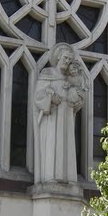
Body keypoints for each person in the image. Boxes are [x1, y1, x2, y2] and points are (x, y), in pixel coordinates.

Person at [33, 43, 86, 186]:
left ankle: (69, 178)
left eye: (69, 59)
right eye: (65, 58)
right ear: (58, 57)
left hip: (67, 115)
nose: (67, 61)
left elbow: (78, 101)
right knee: (52, 144)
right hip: (52, 117)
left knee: (67, 145)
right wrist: (50, 98)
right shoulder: (47, 74)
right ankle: (50, 176)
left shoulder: (71, 78)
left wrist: (76, 99)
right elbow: (38, 96)